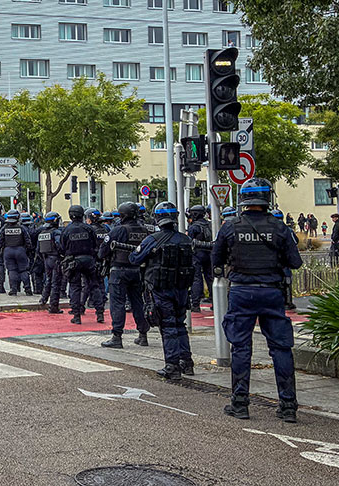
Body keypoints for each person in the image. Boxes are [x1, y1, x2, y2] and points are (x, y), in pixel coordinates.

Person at [211, 177, 303, 422]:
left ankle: (240, 404)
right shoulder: (280, 228)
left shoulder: (230, 227)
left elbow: (216, 258)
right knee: (281, 348)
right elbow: (295, 262)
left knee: (241, 348)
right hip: (272, 291)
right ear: (267, 199)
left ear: (243, 200)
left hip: (242, 291)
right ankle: (288, 406)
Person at [128, 201, 196, 380]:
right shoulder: (186, 239)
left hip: (161, 289)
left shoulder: (153, 239)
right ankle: (187, 362)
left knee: (168, 327)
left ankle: (172, 366)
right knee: (180, 325)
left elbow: (135, 258)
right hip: (181, 289)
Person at [100, 201, 151, 348]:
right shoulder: (144, 230)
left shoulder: (118, 230)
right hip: (137, 271)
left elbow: (103, 251)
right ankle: (143, 334)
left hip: (119, 271)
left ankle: (117, 337)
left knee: (117, 304)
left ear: (122, 215)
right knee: (138, 303)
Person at [57, 204, 105, 325]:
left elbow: (62, 247)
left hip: (74, 261)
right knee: (94, 286)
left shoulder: (66, 230)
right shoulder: (88, 228)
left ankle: (77, 315)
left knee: (75, 287)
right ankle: (100, 313)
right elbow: (95, 245)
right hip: (89, 260)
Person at [0, 210, 29, 296]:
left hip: (8, 250)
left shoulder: (4, 228)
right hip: (20, 250)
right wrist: (27, 251)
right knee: (23, 270)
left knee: (12, 270)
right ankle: (28, 289)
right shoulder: (21, 228)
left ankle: (13, 290)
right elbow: (28, 241)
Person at [186, 205, 212, 311]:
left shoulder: (194, 227)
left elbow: (189, 241)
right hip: (210, 253)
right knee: (210, 277)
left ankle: (196, 304)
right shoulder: (210, 224)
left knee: (196, 278)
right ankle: (214, 301)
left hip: (197, 254)